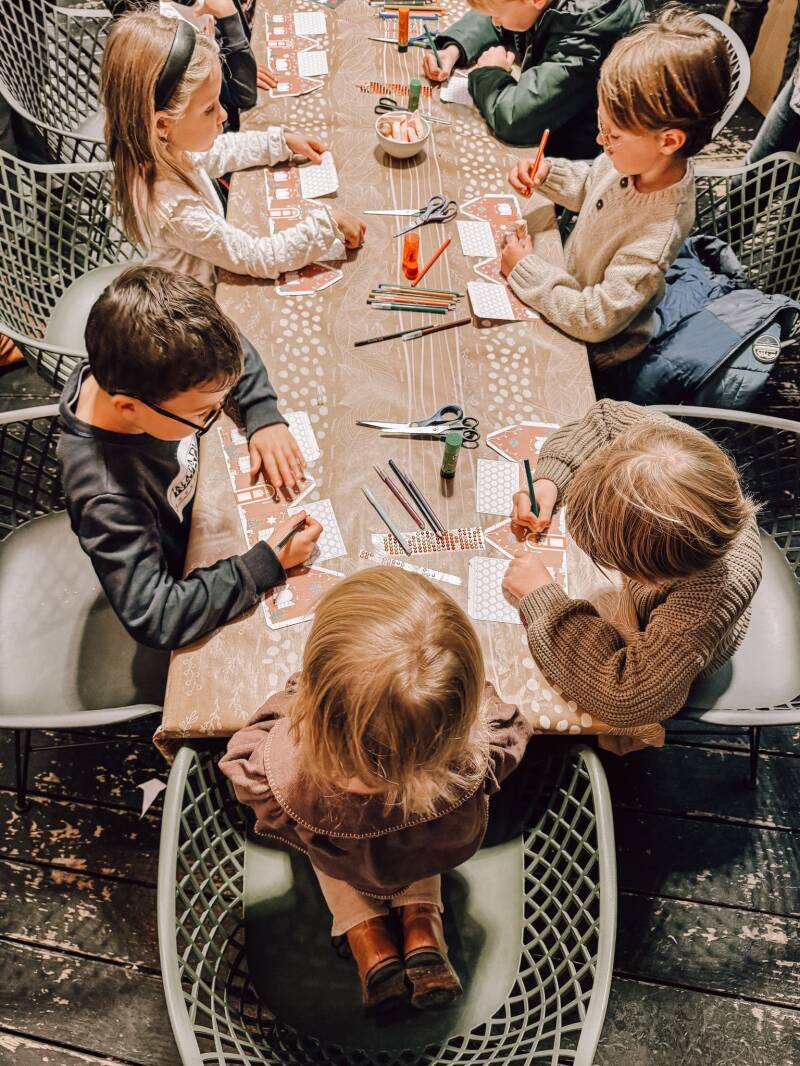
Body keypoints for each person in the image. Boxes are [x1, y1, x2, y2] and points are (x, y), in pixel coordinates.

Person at [220, 568, 532, 1013]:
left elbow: (246, 754)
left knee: (328, 860)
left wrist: (295, 696)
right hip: (426, 850)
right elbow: (505, 725)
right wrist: (463, 698)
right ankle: (423, 927)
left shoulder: (281, 776)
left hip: (342, 855)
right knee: (414, 850)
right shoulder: (472, 759)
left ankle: (369, 942)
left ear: (317, 702)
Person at [57, 266, 323, 651]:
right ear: (128, 408)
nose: (214, 415)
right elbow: (156, 614)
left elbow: (226, 353)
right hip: (184, 566)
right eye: (203, 414)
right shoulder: (108, 497)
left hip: (202, 514)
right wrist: (266, 564)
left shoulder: (158, 368)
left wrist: (261, 413)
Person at [501, 401, 762, 742]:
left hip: (683, 653)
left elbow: (628, 698)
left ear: (652, 578)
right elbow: (605, 419)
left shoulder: (703, 603)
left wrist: (542, 599)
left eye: (611, 561)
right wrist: (550, 481)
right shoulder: (670, 451)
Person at [499, 7, 731, 391]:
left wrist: (525, 269)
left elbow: (595, 320)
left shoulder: (656, 236)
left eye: (612, 135)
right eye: (601, 127)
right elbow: (593, 183)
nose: (600, 141)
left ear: (669, 141)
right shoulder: (637, 158)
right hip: (564, 289)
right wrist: (548, 174)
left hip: (594, 357)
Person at [100, 8, 366, 292]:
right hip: (203, 304)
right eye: (209, 109)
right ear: (163, 124)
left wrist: (281, 142)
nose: (224, 115)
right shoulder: (174, 208)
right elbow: (257, 258)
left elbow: (220, 151)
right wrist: (327, 225)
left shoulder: (163, 147)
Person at [422, 0, 644, 157]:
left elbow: (516, 118)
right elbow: (502, 8)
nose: (495, 22)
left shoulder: (588, 31)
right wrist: (455, 47)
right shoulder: (533, 5)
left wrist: (490, 71)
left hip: (574, 153)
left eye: (498, 16)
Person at [102, 0, 277, 132]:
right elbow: (244, 95)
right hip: (205, 131)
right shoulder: (158, 30)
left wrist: (237, 60)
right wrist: (228, 17)